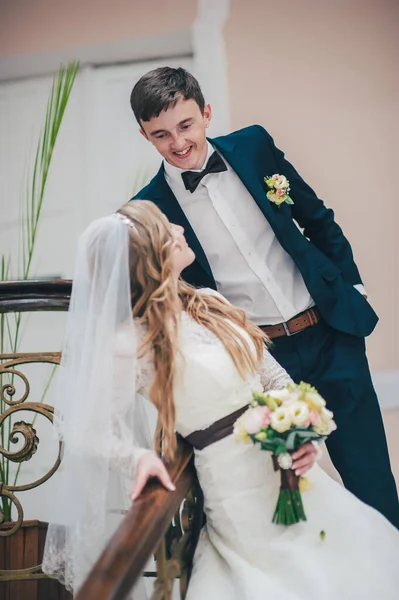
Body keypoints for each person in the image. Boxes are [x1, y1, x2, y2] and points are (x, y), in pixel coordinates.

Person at [43, 200, 398, 598]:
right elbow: (84, 429)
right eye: (166, 227)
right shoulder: (131, 344)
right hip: (236, 489)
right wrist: (138, 458)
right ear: (152, 254)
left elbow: (275, 379)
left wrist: (300, 434)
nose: (178, 229)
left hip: (292, 472)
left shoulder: (211, 302)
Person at [129, 66, 399, 528]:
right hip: (260, 359)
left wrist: (353, 288)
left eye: (186, 125)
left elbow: (318, 219)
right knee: (294, 489)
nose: (177, 143)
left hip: (330, 332)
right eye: (160, 134)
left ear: (206, 113)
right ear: (144, 135)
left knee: (371, 478)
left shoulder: (254, 147)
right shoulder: (152, 208)